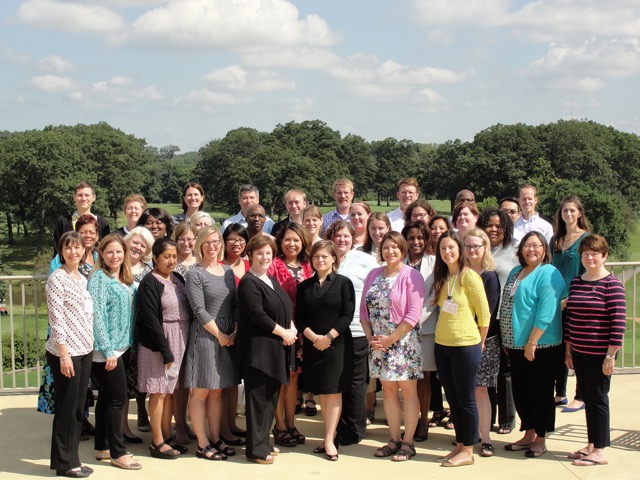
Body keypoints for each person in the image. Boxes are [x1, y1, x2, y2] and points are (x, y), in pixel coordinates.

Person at [361, 232, 425, 462]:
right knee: (387, 390)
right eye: (386, 247)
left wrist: (390, 339)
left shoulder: (412, 276)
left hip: (403, 342)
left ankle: (408, 442)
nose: (390, 252)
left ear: (403, 250)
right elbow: (364, 312)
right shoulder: (373, 274)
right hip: (378, 343)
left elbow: (413, 314)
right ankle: (394, 438)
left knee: (408, 392)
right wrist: (372, 339)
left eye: (395, 248)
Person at [500, 231, 564, 458]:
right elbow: (506, 305)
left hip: (540, 346)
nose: (531, 249)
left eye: (537, 245)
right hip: (515, 345)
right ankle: (528, 433)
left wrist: (532, 342)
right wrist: (508, 339)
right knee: (522, 392)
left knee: (541, 393)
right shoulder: (516, 272)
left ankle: (540, 438)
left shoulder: (549, 273)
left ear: (544, 250)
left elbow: (546, 312)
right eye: (527, 245)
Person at [564, 234, 626, 467]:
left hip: (600, 354)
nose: (590, 258)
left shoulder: (612, 285)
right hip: (580, 352)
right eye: (586, 253)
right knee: (588, 398)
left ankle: (599, 450)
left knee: (598, 399)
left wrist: (610, 355)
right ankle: (591, 444)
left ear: (604, 256)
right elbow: (570, 318)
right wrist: (569, 350)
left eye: (595, 254)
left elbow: (618, 324)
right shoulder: (577, 282)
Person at [431, 232, 490, 467]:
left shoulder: (470, 277)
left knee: (466, 400)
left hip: (465, 345)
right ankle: (458, 444)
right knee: (453, 401)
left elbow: (484, 314)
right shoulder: (443, 277)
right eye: (443, 249)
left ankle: (468, 449)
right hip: (442, 345)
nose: (447, 252)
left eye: (451, 248)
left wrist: (480, 341)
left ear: (460, 249)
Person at [237, 235, 297, 464]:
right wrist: (284, 332)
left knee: (270, 398)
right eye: (259, 253)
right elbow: (257, 315)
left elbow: (283, 307)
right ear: (250, 256)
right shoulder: (249, 282)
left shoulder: (270, 279)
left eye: (268, 254)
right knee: (259, 399)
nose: (264, 257)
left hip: (275, 349)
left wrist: (291, 327)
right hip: (259, 350)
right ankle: (255, 450)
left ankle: (263, 441)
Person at [184, 226, 241, 460]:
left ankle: (216, 438)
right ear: (199, 245)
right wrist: (219, 335)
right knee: (200, 392)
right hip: (206, 337)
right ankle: (203, 443)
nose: (212, 246)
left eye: (216, 241)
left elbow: (236, 304)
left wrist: (235, 330)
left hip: (228, 335)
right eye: (207, 242)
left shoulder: (227, 272)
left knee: (217, 391)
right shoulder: (194, 273)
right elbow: (198, 310)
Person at [296, 241, 356, 461]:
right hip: (314, 345)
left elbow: (347, 315)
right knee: (322, 392)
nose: (320, 260)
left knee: (333, 391)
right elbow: (300, 317)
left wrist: (329, 337)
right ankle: (328, 436)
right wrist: (313, 337)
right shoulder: (304, 287)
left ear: (333, 259)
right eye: (316, 257)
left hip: (337, 344)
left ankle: (330, 439)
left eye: (324, 256)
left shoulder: (343, 283)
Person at [88, 234, 142, 470]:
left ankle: (102, 447)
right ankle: (118, 453)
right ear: (101, 254)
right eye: (110, 252)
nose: (115, 256)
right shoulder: (99, 278)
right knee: (118, 400)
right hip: (105, 350)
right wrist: (108, 350)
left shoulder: (123, 277)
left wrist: (126, 346)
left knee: (107, 399)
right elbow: (96, 316)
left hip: (121, 348)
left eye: (119, 252)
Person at [46, 231, 95, 478]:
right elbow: (57, 321)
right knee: (66, 408)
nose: (73, 252)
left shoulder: (81, 278)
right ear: (61, 251)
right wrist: (64, 355)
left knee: (78, 408)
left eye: (77, 248)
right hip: (66, 353)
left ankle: (73, 458)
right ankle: (64, 464)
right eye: (68, 248)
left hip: (84, 349)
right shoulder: (57, 279)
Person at [136, 238, 190, 459]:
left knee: (170, 392)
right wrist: (165, 350)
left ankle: (167, 436)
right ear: (155, 258)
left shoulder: (177, 278)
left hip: (181, 337)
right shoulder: (150, 282)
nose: (171, 261)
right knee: (158, 391)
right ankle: (157, 441)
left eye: (174, 256)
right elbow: (150, 319)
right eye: (166, 256)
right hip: (160, 342)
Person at [325, 220, 378, 445]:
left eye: (346, 236)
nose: (342, 240)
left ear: (353, 237)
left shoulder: (365, 260)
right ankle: (336, 427)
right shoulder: (325, 260)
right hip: (331, 332)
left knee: (356, 382)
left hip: (357, 329)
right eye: (337, 236)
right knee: (337, 381)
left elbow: (373, 292)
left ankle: (354, 430)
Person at [267, 223, 312, 447]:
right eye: (287, 239)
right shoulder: (274, 265)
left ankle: (291, 423)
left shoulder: (308, 265)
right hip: (279, 329)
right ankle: (280, 425)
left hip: (301, 332)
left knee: (293, 377)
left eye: (296, 239)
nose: (291, 244)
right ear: (280, 241)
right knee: (280, 378)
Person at [477, 208, 518, 435]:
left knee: (504, 371)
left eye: (498, 225)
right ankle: (487, 418)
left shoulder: (513, 251)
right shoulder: (478, 251)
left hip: (505, 318)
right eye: (489, 224)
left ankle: (507, 418)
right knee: (486, 373)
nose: (493, 229)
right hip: (484, 321)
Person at [551, 195, 591, 412]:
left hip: (575, 301)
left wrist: (572, 298)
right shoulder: (556, 239)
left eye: (572, 211)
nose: (568, 214)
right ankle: (560, 393)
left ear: (579, 213)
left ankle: (581, 395)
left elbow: (588, 272)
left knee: (577, 349)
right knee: (558, 348)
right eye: (565, 211)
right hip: (556, 303)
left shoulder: (585, 239)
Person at [463, 229, 500, 458]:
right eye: (468, 246)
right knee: (464, 392)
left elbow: (488, 311)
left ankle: (485, 439)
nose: (472, 250)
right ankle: (468, 435)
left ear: (485, 247)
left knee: (480, 390)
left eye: (477, 246)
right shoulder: (459, 273)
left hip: (483, 340)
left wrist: (480, 340)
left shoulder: (489, 275)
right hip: (460, 340)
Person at [401, 220, 436, 442]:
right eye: (411, 237)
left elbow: (434, 297)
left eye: (420, 237)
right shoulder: (398, 261)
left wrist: (413, 320)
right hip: (399, 330)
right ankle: (409, 421)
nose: (416, 241)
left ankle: (423, 421)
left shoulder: (434, 263)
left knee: (423, 378)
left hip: (425, 328)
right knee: (404, 379)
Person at [122, 226, 155, 440]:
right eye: (135, 242)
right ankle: (121, 427)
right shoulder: (117, 266)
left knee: (140, 377)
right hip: (121, 332)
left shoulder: (149, 270)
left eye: (143, 245)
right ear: (126, 242)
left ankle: (142, 413)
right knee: (121, 383)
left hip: (142, 331)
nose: (138, 247)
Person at [53, 182, 110, 256]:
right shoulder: (63, 222)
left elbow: (107, 250)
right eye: (80, 195)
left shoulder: (103, 223)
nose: (83, 198)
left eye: (87, 195)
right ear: (74, 197)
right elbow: (57, 249)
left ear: (94, 197)